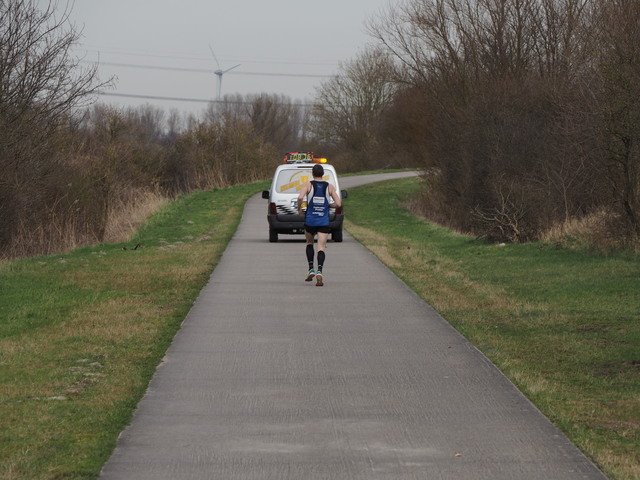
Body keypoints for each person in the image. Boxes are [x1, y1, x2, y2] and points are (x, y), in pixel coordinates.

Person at [297, 164, 342, 286]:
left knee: (309, 243)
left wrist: (299, 208)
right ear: (323, 174)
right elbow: (338, 204)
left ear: (312, 173)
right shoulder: (330, 187)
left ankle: (311, 268)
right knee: (321, 247)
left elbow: (300, 197)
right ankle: (320, 271)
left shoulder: (308, 185)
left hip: (310, 221)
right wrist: (328, 206)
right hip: (323, 222)